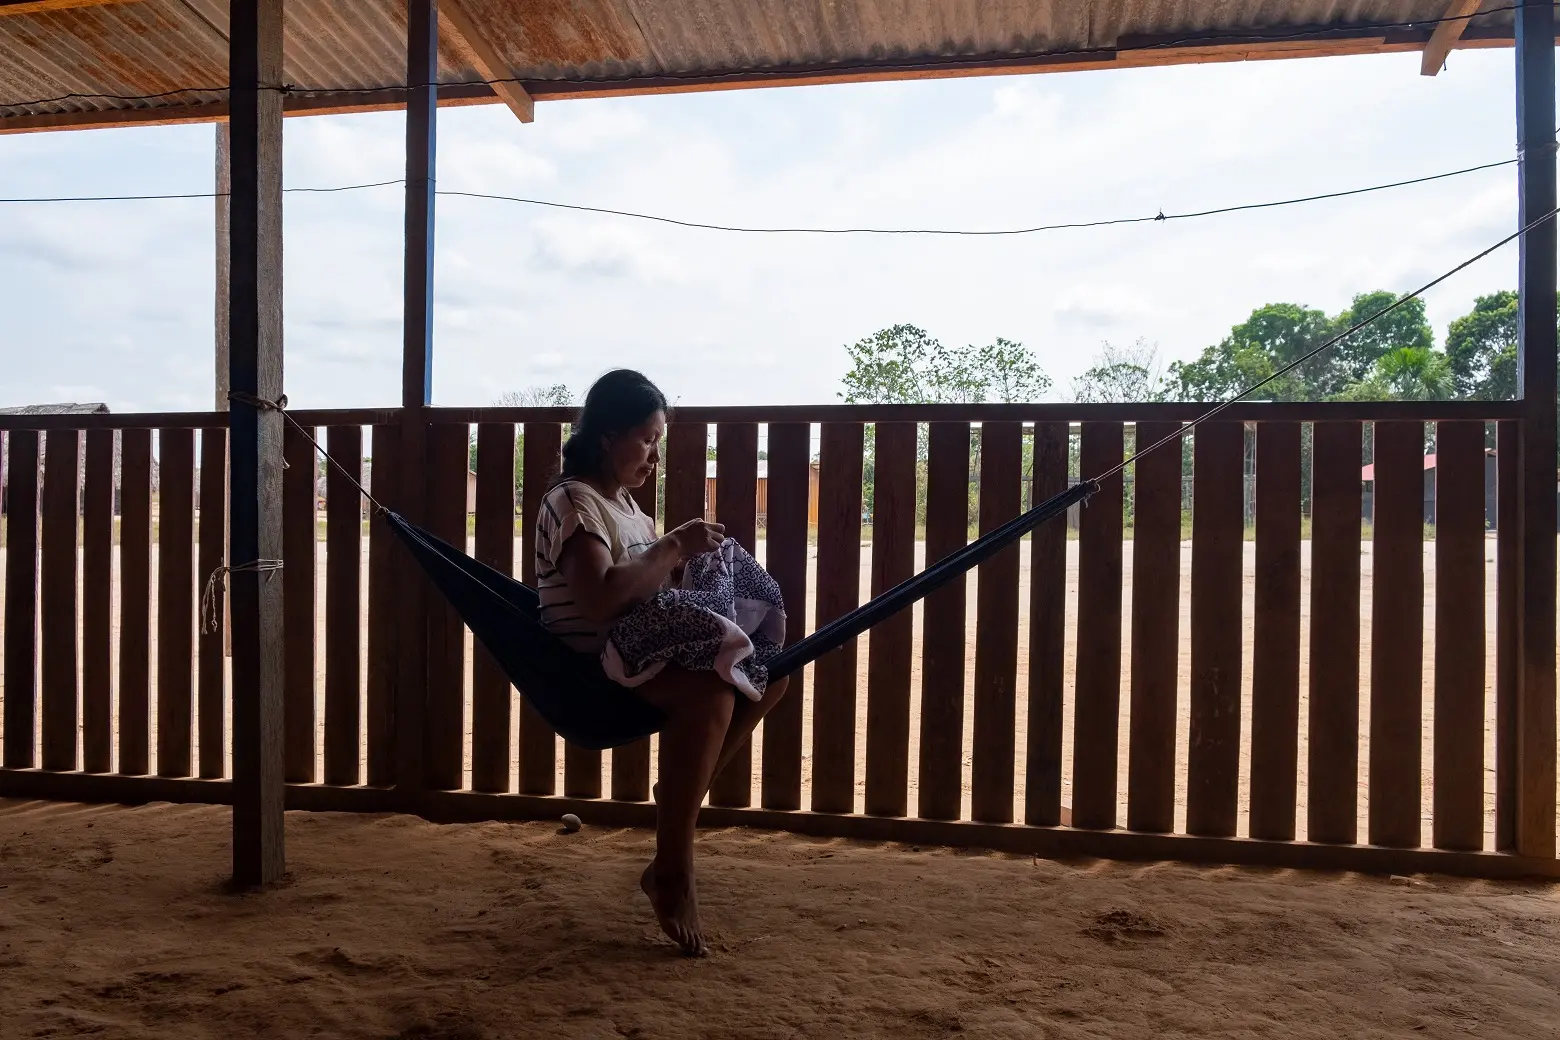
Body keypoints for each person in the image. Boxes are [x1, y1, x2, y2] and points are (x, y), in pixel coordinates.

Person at [534, 369, 790, 956]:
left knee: (770, 675)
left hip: (641, 649)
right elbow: (601, 597)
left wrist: (683, 568)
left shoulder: (623, 506)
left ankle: (680, 795)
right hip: (590, 664)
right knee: (713, 693)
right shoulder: (574, 500)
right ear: (608, 436)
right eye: (648, 440)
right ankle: (673, 868)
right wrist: (673, 546)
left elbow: (643, 584)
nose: (654, 456)